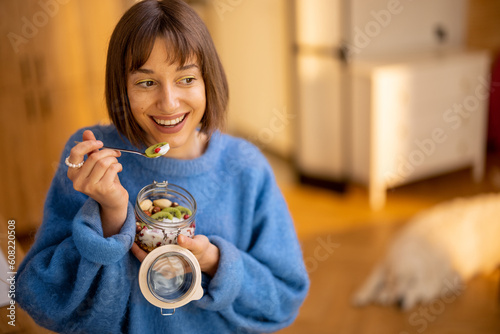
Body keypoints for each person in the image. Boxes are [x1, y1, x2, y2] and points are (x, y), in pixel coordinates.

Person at [15, 0, 309, 333]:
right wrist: (111, 219)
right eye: (146, 83)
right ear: (121, 88)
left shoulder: (246, 168)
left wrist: (213, 261)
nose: (168, 103)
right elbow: (38, 296)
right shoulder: (93, 159)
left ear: (208, 81)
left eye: (186, 79)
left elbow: (284, 298)